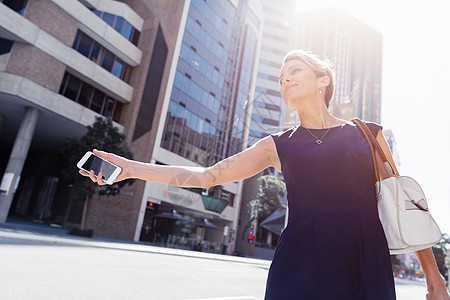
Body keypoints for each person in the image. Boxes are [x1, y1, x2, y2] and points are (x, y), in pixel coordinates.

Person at [79, 49, 450, 299]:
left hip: (364, 261)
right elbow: (206, 176)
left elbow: (406, 208)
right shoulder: (276, 145)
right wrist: (130, 168)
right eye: (282, 76)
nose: (285, 79)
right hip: (299, 265)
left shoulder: (368, 134)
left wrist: (432, 276)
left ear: (323, 81)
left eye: (295, 72)